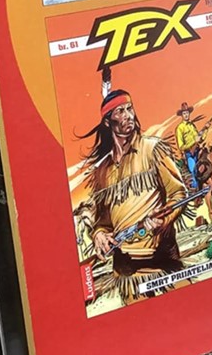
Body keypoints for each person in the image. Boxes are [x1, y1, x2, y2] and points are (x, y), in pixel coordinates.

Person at [81, 90, 192, 304]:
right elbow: (102, 222)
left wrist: (162, 220)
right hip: (127, 271)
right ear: (108, 122)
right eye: (120, 111)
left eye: (130, 109)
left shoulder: (152, 149)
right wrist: (99, 235)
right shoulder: (102, 171)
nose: (128, 115)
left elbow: (178, 193)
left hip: (163, 261)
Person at [175, 102, 201, 190]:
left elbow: (200, 138)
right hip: (189, 154)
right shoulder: (180, 128)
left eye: (187, 113)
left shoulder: (192, 125)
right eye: (184, 113)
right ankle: (195, 189)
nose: (186, 115)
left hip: (198, 151)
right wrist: (194, 141)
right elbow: (181, 147)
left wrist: (206, 130)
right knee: (193, 170)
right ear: (182, 115)